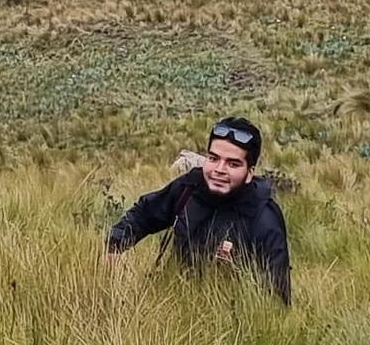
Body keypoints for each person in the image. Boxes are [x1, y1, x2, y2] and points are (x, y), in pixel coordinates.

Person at [107, 115, 291, 304]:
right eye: (213, 158)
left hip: (226, 322)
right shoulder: (189, 188)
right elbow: (145, 213)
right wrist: (114, 245)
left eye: (233, 164)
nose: (219, 169)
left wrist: (236, 276)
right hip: (169, 303)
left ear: (249, 173)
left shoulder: (264, 218)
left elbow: (276, 300)